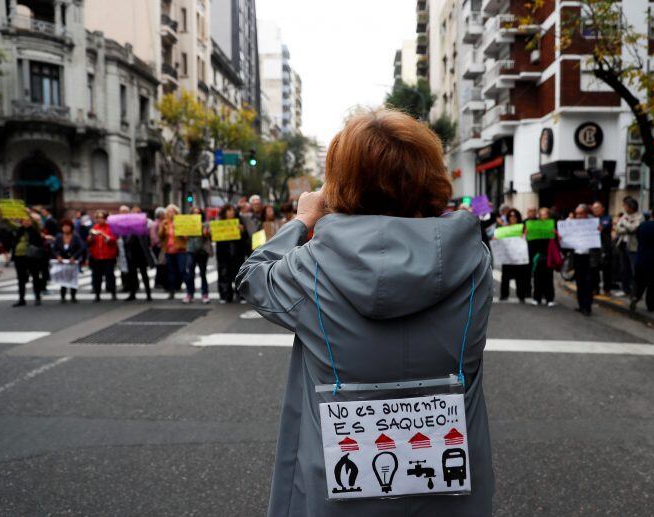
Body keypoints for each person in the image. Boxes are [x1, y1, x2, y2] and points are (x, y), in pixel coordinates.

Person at [236, 109, 494, 516]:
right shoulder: (474, 257)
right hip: (453, 488)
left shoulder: (310, 265)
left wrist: (303, 219)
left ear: (339, 182)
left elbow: (252, 278)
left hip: (338, 488)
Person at [9, 210, 45, 306]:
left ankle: (37, 297)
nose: (26, 222)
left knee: (35, 277)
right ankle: (21, 299)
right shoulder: (19, 230)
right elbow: (9, 223)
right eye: (24, 220)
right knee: (21, 279)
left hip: (32, 257)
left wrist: (28, 212)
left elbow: (37, 222)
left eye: (28, 220)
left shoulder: (35, 230)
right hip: (19, 257)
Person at [572, 204, 601, 316]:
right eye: (577, 213)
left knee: (588, 283)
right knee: (579, 282)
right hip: (578, 256)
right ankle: (581, 305)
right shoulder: (573, 223)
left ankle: (587, 307)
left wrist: (600, 232)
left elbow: (603, 240)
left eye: (580, 213)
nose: (578, 216)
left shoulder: (593, 223)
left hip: (589, 258)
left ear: (586, 213)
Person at [159, 204, 191, 300]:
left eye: (173, 211)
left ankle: (190, 291)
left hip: (180, 250)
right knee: (171, 272)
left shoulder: (181, 222)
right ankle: (171, 292)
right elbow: (160, 236)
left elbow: (186, 237)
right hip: (169, 250)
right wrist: (163, 230)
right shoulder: (164, 223)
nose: (171, 213)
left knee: (182, 270)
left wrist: (179, 229)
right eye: (169, 211)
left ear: (176, 213)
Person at [51, 219, 86, 303]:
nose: (66, 228)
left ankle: (73, 296)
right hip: (62, 261)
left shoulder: (75, 237)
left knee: (72, 278)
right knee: (63, 278)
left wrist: (74, 257)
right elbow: (53, 249)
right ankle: (63, 296)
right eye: (64, 227)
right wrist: (58, 256)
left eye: (67, 227)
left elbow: (81, 248)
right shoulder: (59, 237)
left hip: (72, 261)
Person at [215, 204, 244, 304]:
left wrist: (242, 231)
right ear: (224, 212)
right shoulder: (219, 223)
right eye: (229, 210)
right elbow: (215, 238)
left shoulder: (239, 222)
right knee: (224, 274)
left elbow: (245, 238)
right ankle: (225, 295)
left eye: (232, 210)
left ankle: (240, 294)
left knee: (238, 274)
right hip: (223, 253)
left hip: (237, 253)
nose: (231, 212)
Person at [614, 197, 643, 296]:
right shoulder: (625, 216)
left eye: (625, 206)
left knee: (634, 270)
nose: (624, 208)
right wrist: (625, 226)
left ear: (631, 207)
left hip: (633, 247)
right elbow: (617, 228)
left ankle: (636, 291)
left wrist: (624, 223)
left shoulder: (639, 216)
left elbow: (633, 229)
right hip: (623, 244)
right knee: (624, 269)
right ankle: (625, 289)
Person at [88, 210, 118, 302]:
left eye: (101, 217)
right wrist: (91, 236)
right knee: (97, 276)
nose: (99, 220)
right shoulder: (94, 227)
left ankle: (113, 293)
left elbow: (113, 240)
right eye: (97, 218)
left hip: (108, 257)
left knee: (110, 275)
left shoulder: (110, 228)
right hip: (97, 257)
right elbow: (89, 242)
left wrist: (103, 235)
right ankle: (97, 294)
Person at [124, 212, 155, 302]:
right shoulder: (128, 230)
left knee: (144, 274)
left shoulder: (143, 230)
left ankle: (148, 294)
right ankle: (132, 293)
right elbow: (126, 242)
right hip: (131, 255)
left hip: (141, 255)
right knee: (132, 276)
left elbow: (148, 241)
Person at [499, 208, 529, 302]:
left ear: (518, 217)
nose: (513, 217)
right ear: (508, 217)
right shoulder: (505, 228)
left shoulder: (522, 227)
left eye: (514, 216)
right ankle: (504, 295)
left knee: (520, 276)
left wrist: (524, 235)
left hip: (518, 256)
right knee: (505, 276)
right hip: (507, 255)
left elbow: (526, 238)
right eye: (511, 216)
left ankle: (521, 295)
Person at [529, 207, 556, 307]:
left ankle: (550, 298)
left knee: (549, 277)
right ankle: (537, 298)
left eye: (544, 214)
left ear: (548, 215)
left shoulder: (552, 225)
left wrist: (555, 233)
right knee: (537, 277)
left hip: (548, 255)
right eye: (541, 214)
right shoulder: (535, 226)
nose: (542, 216)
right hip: (538, 255)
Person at [186, 206, 212, 304]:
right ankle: (190, 294)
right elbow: (184, 237)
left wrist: (205, 232)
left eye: (198, 213)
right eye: (194, 213)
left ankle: (205, 294)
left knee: (202, 273)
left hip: (202, 251)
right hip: (190, 250)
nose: (196, 214)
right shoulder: (187, 224)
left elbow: (210, 236)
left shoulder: (206, 224)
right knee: (190, 273)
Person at [591, 201, 614, 296]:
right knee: (594, 268)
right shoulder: (590, 219)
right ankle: (595, 288)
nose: (595, 210)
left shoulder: (607, 218)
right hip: (594, 246)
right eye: (594, 208)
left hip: (605, 246)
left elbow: (603, 227)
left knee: (606, 268)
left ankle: (607, 289)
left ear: (602, 209)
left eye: (597, 208)